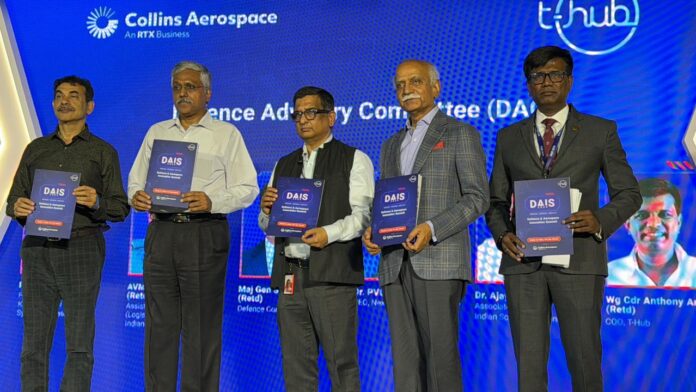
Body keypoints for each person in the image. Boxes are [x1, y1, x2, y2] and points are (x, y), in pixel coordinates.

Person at [485, 45, 641, 391]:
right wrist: (502, 235)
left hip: (579, 259)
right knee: (528, 367)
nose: (546, 82)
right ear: (528, 84)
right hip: (523, 262)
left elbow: (630, 193)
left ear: (569, 81)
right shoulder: (508, 137)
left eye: (555, 74)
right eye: (538, 76)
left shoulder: (600, 131)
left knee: (585, 362)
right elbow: (495, 201)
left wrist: (599, 220)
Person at [128, 61, 259, 391]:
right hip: (161, 232)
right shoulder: (157, 132)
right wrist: (137, 197)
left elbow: (248, 188)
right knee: (160, 326)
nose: (182, 93)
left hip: (204, 232)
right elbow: (134, 182)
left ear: (208, 94)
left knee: (200, 328)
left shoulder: (227, 134)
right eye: (177, 87)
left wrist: (211, 200)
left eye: (190, 87)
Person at [363, 60, 489, 391]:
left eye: (416, 82)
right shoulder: (391, 144)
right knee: (405, 364)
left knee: (440, 362)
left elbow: (477, 198)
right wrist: (374, 230)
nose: (407, 90)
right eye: (400, 85)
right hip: (393, 263)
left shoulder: (460, 133)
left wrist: (431, 228)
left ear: (436, 87)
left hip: (438, 260)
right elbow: (389, 200)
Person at [6, 75, 130, 391]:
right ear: (52, 103)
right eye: (59, 95)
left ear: (89, 106)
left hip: (82, 249)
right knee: (33, 345)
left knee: (79, 345)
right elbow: (12, 201)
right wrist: (18, 207)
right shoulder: (35, 149)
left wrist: (97, 202)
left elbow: (120, 207)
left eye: (73, 96)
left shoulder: (103, 152)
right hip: (37, 252)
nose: (64, 101)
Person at [258, 86, 374, 391]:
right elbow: (268, 226)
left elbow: (363, 217)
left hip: (332, 277)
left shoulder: (354, 158)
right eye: (297, 114)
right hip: (290, 276)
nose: (303, 120)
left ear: (331, 117)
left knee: (342, 364)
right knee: (296, 368)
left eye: (311, 112)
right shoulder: (284, 164)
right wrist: (266, 210)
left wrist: (328, 234)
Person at [609, 178, 696, 287]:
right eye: (642, 215)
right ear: (628, 225)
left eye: (665, 215)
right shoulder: (609, 277)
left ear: (678, 223)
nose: (654, 224)